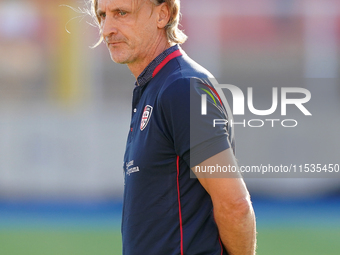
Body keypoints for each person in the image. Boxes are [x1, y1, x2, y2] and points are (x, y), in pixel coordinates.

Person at [88, 0, 256, 254]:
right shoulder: (157, 86)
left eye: (122, 13)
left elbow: (235, 203)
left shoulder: (181, 88)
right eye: (103, 15)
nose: (107, 29)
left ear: (162, 14)